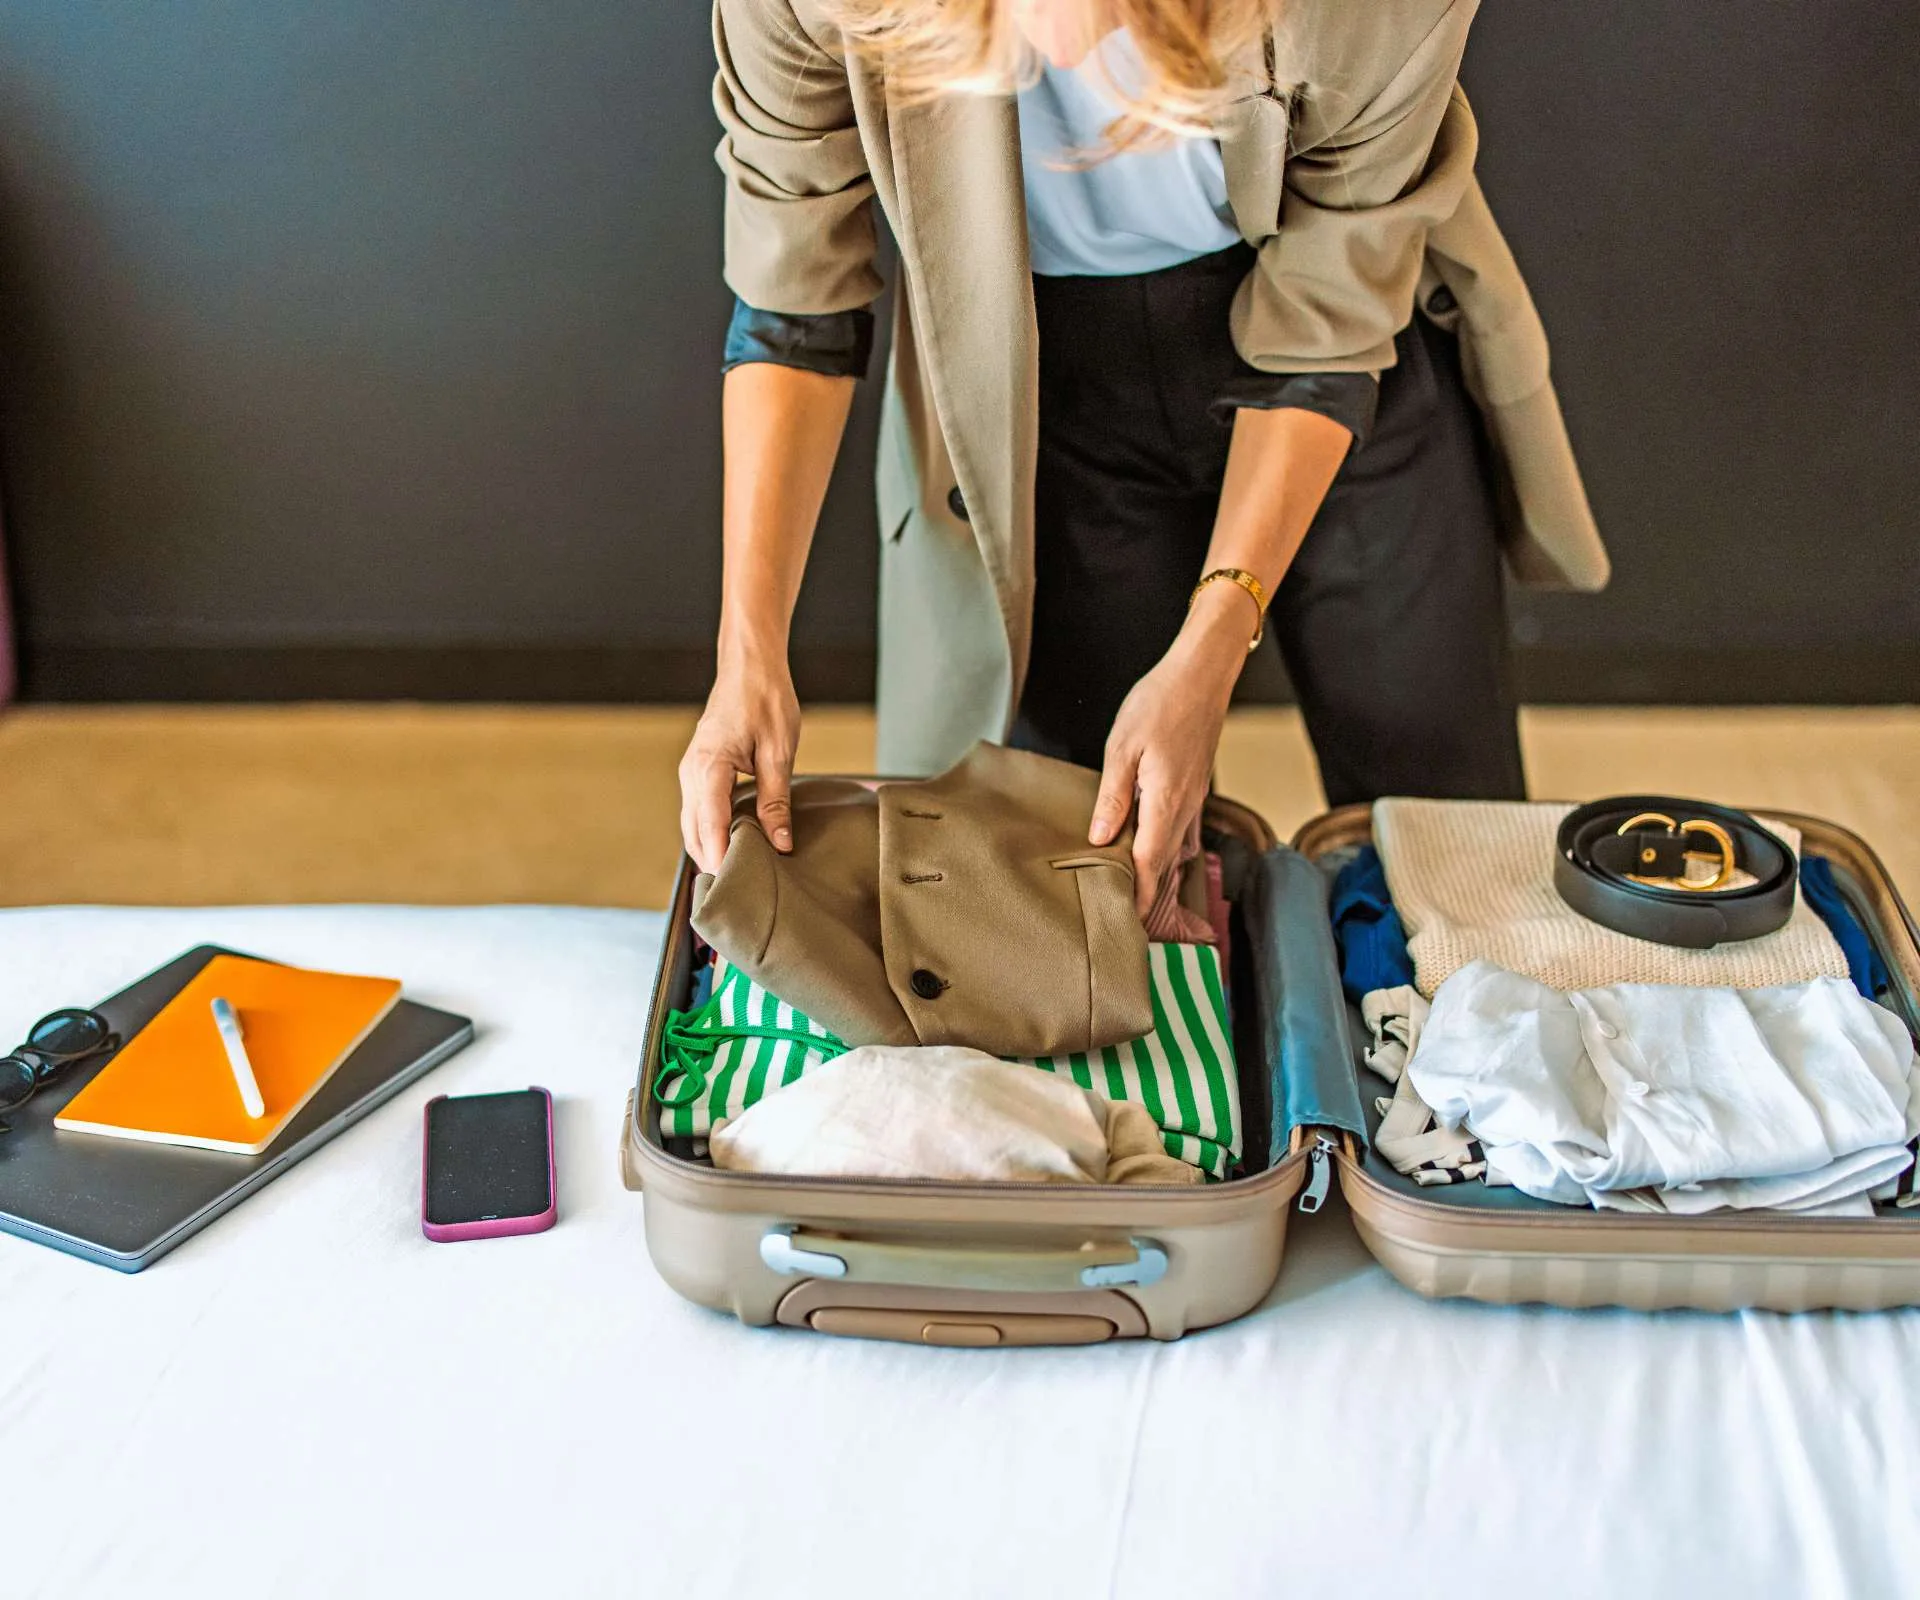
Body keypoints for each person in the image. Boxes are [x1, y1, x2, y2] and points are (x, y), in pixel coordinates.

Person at [678, 0, 1609, 910]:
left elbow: (1326, 335)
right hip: (1047, 384)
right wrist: (749, 649)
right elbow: (794, 301)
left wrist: (1210, 652)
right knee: (1085, 860)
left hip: (1346, 365)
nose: (1054, 37)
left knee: (1450, 835)